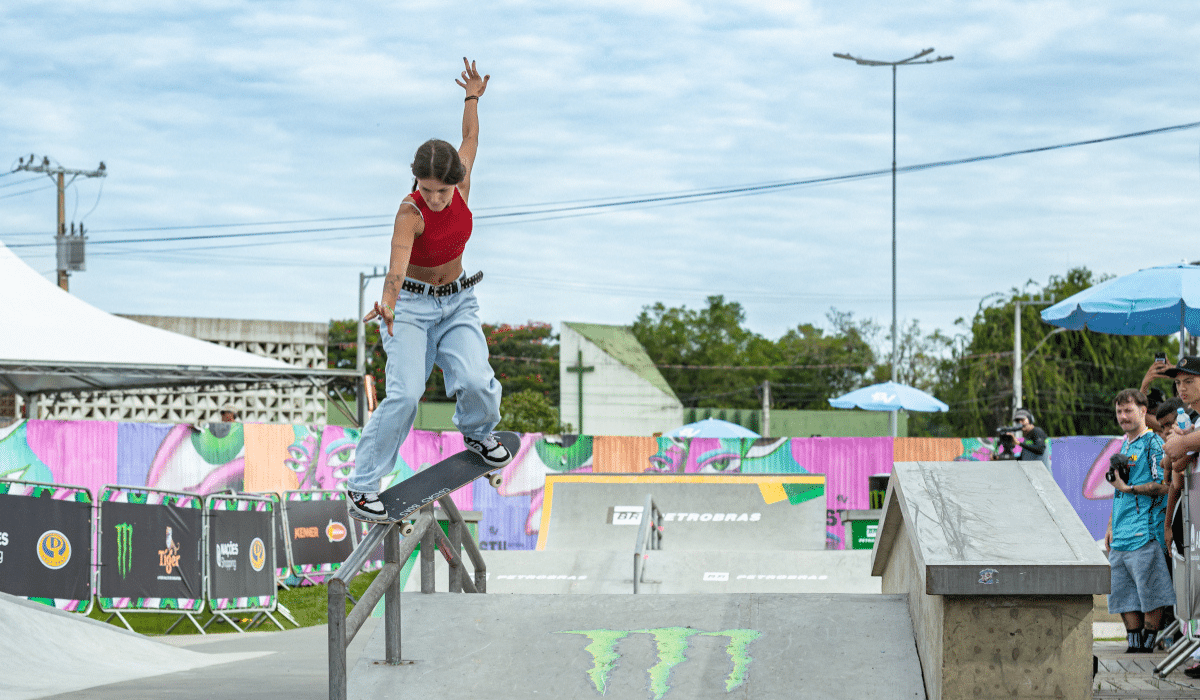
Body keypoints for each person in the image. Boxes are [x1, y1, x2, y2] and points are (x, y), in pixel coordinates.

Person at [344, 58, 511, 523]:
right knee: (404, 394)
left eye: (443, 190)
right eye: (428, 189)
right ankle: (361, 486)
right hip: (412, 308)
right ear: (416, 180)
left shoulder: (463, 182)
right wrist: (389, 305)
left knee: (477, 379)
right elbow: (396, 268)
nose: (436, 198)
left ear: (455, 179)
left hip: (458, 302)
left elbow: (471, 139)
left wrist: (472, 96)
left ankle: (478, 434)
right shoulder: (409, 212)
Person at [1105, 389, 1171, 653]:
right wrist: (1110, 526)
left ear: (1143, 411)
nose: (1123, 416)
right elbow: (1118, 488)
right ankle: (1133, 642)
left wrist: (1129, 489)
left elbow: (1163, 485)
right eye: (1120, 411)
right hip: (1120, 533)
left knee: (1150, 590)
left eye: (1128, 410)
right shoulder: (1124, 444)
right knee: (1121, 592)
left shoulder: (1152, 442)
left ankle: (1148, 642)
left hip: (1145, 531)